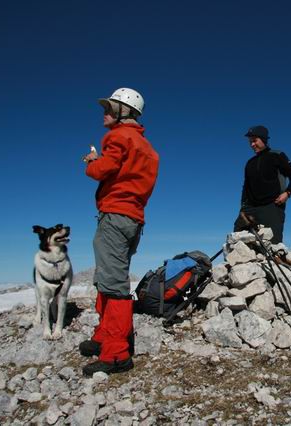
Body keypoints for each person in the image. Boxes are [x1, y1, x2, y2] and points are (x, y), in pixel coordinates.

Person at [80, 88, 159, 376]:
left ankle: (116, 354)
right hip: (134, 219)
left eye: (111, 107)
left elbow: (105, 169)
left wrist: (92, 163)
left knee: (113, 284)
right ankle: (103, 336)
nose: (105, 112)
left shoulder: (117, 137)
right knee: (110, 275)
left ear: (125, 112)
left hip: (114, 216)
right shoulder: (147, 148)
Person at [233, 125, 291, 244]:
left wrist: (288, 193)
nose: (252, 144)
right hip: (250, 209)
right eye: (250, 142)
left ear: (264, 139)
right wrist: (243, 207)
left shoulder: (277, 155)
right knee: (237, 242)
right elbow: (246, 187)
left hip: (272, 206)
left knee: (273, 245)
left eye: (254, 141)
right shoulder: (250, 163)